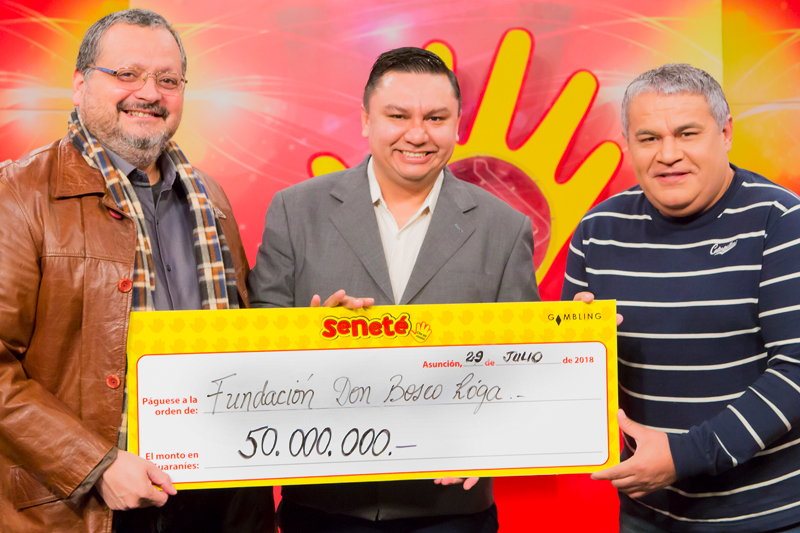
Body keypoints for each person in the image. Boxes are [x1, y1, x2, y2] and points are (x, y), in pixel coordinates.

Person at [0, 9, 274, 533]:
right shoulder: (17, 194)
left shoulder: (210, 199)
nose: (149, 93)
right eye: (126, 74)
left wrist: (317, 337)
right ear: (80, 84)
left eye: (168, 80)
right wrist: (95, 465)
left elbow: (241, 339)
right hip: (86, 507)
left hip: (216, 499)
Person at [247, 47, 539, 532]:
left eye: (436, 118)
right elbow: (253, 342)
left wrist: (494, 435)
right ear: (366, 120)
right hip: (323, 504)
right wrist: (309, 335)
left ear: (458, 125)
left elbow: (522, 364)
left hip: (451, 511)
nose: (417, 134)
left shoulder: (504, 228)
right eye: (398, 116)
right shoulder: (295, 211)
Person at [562, 63, 800, 532]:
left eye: (687, 133)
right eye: (649, 138)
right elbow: (572, 387)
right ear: (627, 143)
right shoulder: (596, 232)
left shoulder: (782, 220)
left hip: (768, 518)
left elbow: (796, 370)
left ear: (725, 133)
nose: (668, 154)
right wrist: (576, 354)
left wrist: (684, 455)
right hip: (648, 515)